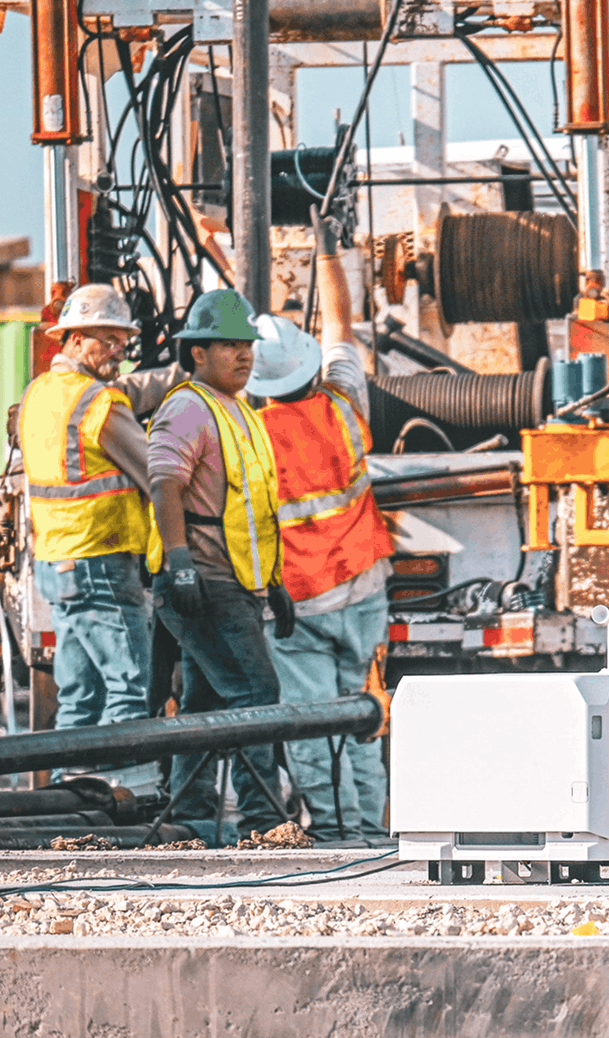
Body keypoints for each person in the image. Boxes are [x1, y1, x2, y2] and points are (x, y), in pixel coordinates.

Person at [249, 218, 395, 841]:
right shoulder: (344, 404)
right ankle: (374, 831)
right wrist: (328, 253)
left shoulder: (251, 437)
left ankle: (336, 831)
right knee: (361, 715)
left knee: (313, 722)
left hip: (301, 604)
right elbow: (340, 324)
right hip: (364, 591)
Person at [146, 288, 299, 840]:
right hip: (205, 583)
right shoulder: (189, 407)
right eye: (230, 345)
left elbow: (253, 512)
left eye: (247, 345)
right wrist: (180, 563)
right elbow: (165, 485)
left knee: (205, 703)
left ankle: (189, 817)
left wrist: (274, 583)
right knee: (256, 694)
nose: (244, 355)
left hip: (234, 583)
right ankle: (263, 820)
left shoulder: (242, 414)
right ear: (198, 353)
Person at [19, 284, 175, 736]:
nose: (118, 352)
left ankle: (71, 777)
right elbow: (156, 474)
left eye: (122, 342)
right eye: (108, 341)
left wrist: (182, 372)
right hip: (100, 562)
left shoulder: (39, 393)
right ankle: (121, 777)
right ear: (75, 339)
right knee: (131, 689)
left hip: (57, 563)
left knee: (80, 697)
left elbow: (128, 388)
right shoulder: (100, 404)